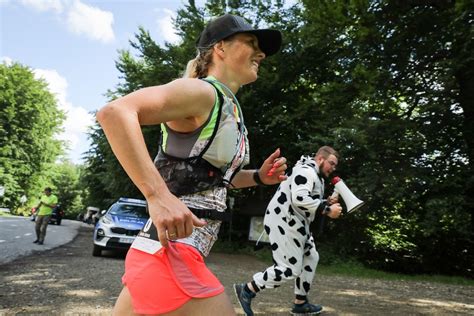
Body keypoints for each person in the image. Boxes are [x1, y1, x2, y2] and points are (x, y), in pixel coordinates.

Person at [97, 14, 286, 316]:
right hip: (172, 254)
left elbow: (210, 181)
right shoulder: (201, 92)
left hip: (160, 252)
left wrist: (260, 178)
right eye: (251, 43)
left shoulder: (227, 106)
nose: (261, 53)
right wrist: (157, 196)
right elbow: (115, 113)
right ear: (220, 48)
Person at [233, 146, 343, 316]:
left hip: (295, 223)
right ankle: (247, 289)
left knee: (311, 256)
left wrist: (326, 201)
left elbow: (307, 200)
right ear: (320, 159)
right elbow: (299, 198)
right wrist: (327, 209)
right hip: (285, 222)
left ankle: (300, 303)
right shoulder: (306, 171)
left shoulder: (315, 176)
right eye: (331, 163)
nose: (333, 168)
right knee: (289, 269)